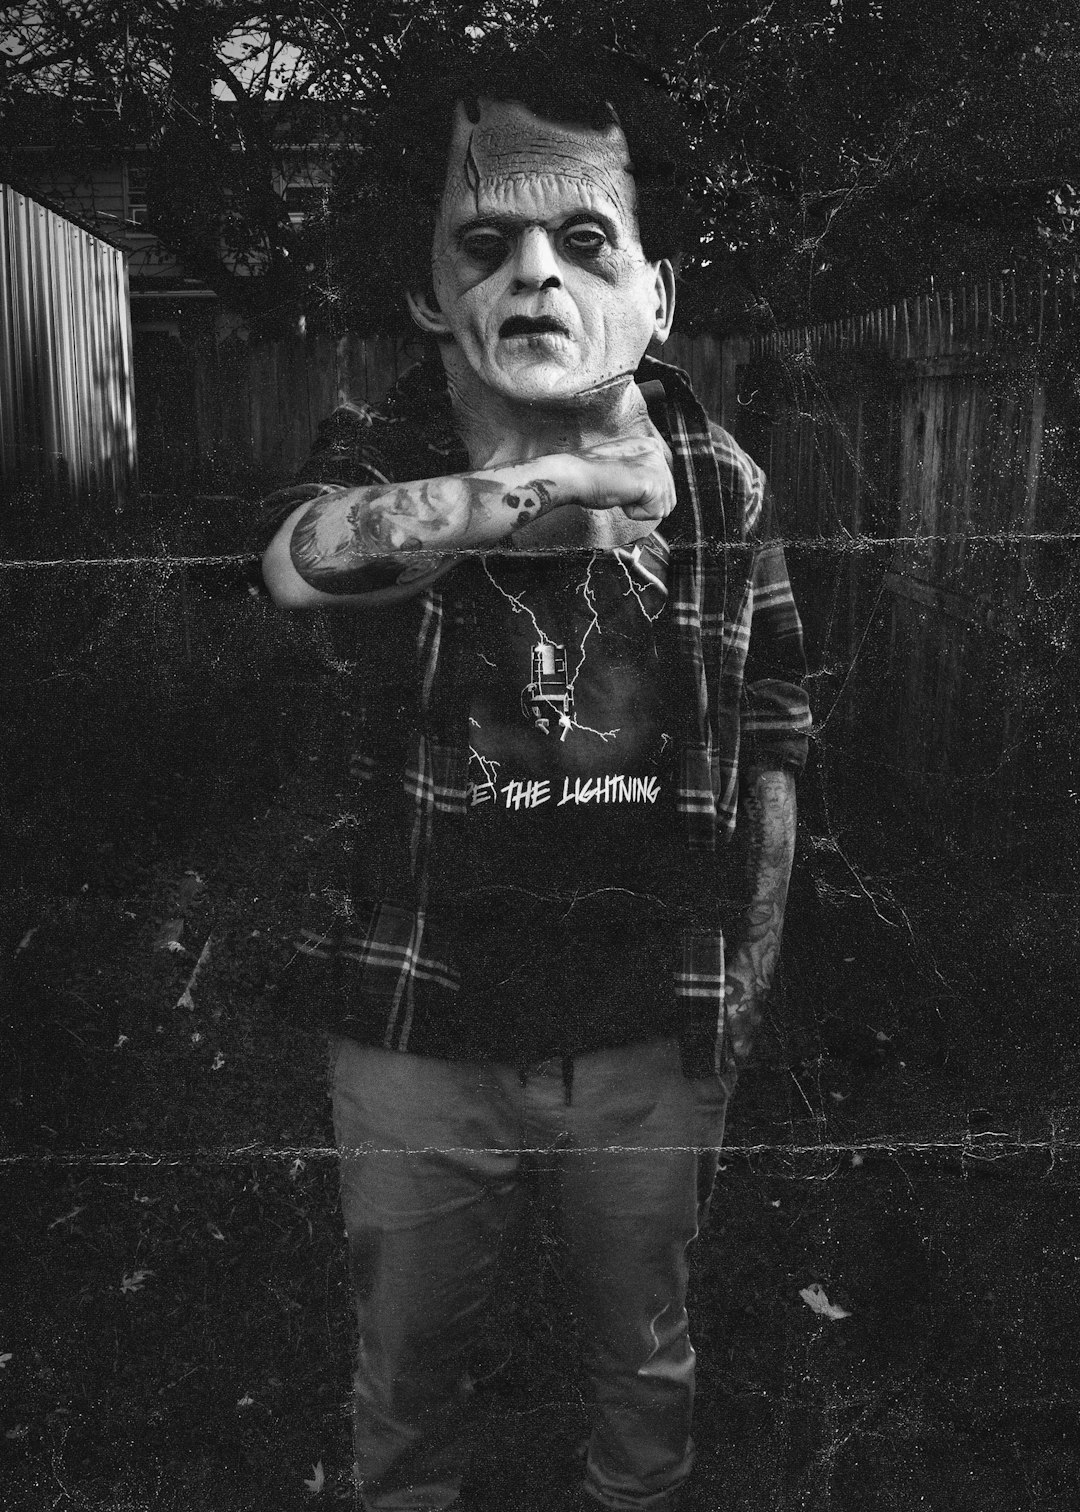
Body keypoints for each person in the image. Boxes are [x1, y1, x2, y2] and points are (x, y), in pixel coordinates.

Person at [262, 44, 810, 1512]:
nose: (535, 278)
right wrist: (557, 490)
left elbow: (773, 740)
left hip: (647, 1031)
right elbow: (300, 563)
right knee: (406, 1376)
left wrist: (747, 986)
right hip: (420, 1027)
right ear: (428, 292)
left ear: (657, 294)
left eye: (584, 239)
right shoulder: (379, 451)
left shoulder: (728, 483)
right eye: (485, 243)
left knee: (646, 1368)